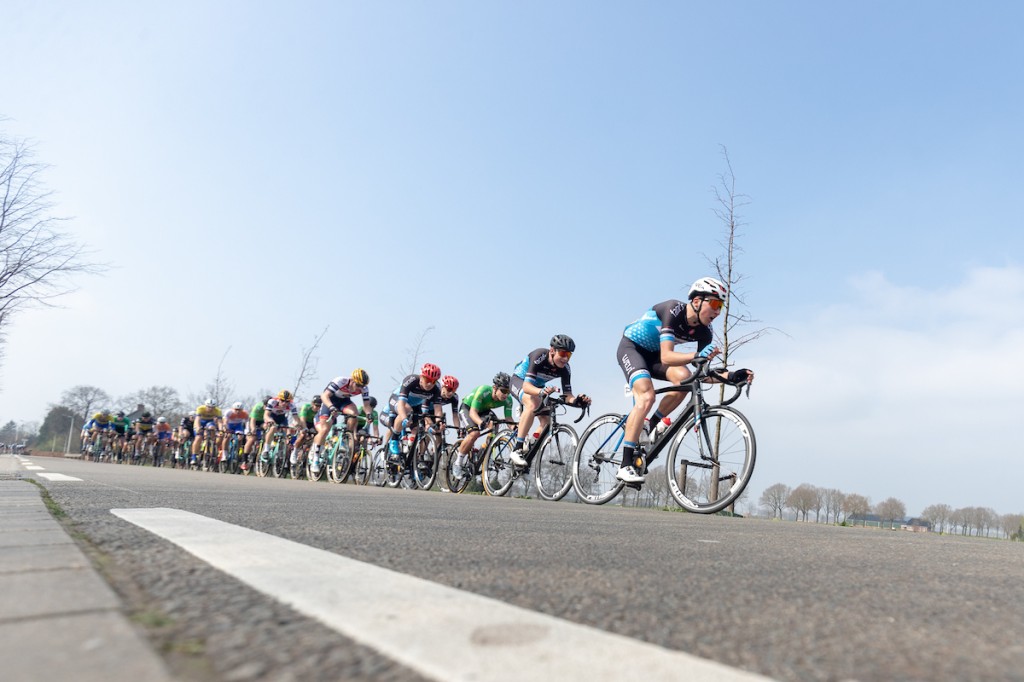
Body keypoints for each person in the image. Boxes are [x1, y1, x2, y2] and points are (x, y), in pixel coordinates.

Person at [614, 277, 755, 483]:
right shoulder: (674, 310)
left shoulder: (705, 331)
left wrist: (731, 377)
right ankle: (625, 465)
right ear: (697, 301)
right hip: (632, 348)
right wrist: (695, 357)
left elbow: (702, 373)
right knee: (646, 396)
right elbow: (667, 356)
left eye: (721, 307)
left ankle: (650, 425)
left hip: (653, 357)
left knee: (687, 379)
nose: (717, 311)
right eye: (715, 304)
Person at [509, 335, 591, 467]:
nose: (565, 358)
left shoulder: (565, 369)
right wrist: (541, 392)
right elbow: (526, 387)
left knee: (547, 422)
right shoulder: (539, 356)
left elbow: (567, 395)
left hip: (538, 388)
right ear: (552, 350)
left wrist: (577, 401)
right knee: (532, 404)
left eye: (569, 355)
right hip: (520, 381)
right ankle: (517, 448)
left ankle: (530, 445)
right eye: (563, 353)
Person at [451, 372, 516, 478]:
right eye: (503, 391)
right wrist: (480, 423)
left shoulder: (508, 400)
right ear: (495, 388)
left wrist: (515, 428)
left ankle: (486, 450)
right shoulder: (484, 391)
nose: (506, 395)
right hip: (468, 408)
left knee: (495, 423)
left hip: (484, 410)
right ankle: (458, 463)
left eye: (508, 392)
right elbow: (473, 412)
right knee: (474, 433)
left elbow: (509, 419)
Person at [310, 369, 372, 474]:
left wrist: (369, 414)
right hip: (329, 401)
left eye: (362, 386)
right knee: (324, 430)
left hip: (344, 402)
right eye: (358, 385)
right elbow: (324, 396)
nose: (359, 388)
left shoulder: (364, 388)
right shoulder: (340, 381)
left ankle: (345, 437)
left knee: (354, 413)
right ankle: (315, 458)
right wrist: (331, 407)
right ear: (352, 380)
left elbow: (366, 405)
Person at [380, 363, 444, 462]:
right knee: (407, 410)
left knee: (418, 428)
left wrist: (439, 422)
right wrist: (404, 418)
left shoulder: (436, 388)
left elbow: (438, 409)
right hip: (397, 400)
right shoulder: (411, 380)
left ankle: (412, 460)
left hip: (413, 406)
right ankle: (394, 439)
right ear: (421, 377)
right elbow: (401, 404)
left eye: (433, 381)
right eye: (427, 380)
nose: (430, 384)